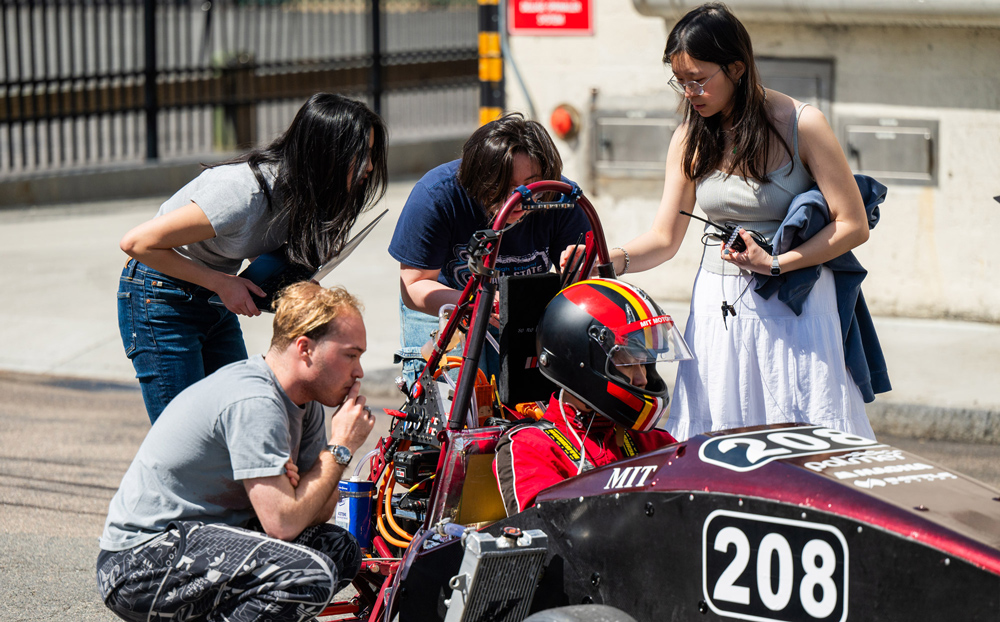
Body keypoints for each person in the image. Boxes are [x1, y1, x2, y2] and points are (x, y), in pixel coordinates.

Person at [565, 3, 881, 441]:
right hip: (720, 305)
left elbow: (853, 224)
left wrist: (777, 263)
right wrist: (605, 261)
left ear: (736, 67)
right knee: (721, 439)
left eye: (699, 79)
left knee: (806, 437)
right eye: (681, 81)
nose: (690, 92)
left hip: (796, 301)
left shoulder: (802, 124)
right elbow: (664, 237)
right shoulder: (689, 136)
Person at [97, 282, 377, 622]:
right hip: (138, 562)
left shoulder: (307, 404)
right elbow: (284, 523)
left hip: (206, 541)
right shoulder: (255, 402)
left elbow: (319, 509)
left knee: (339, 550)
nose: (359, 371)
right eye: (351, 355)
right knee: (307, 575)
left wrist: (305, 486)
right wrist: (339, 449)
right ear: (305, 349)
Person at [118, 93, 388, 423]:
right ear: (327, 154)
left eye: (372, 154)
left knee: (240, 416)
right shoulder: (244, 194)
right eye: (360, 155)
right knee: (185, 431)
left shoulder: (303, 195)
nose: (370, 167)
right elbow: (137, 242)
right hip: (160, 298)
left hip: (213, 299)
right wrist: (220, 283)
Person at [388, 112, 591, 387]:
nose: (517, 199)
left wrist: (579, 268)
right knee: (455, 395)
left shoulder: (559, 197)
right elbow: (414, 287)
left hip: (514, 312)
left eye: (530, 185)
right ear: (477, 177)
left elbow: (585, 283)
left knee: (527, 396)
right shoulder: (436, 195)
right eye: (502, 186)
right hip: (444, 306)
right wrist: (476, 303)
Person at [493, 279, 692, 515]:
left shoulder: (654, 442)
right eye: (628, 363)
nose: (642, 380)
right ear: (581, 363)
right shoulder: (530, 448)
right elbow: (548, 535)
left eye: (644, 363)